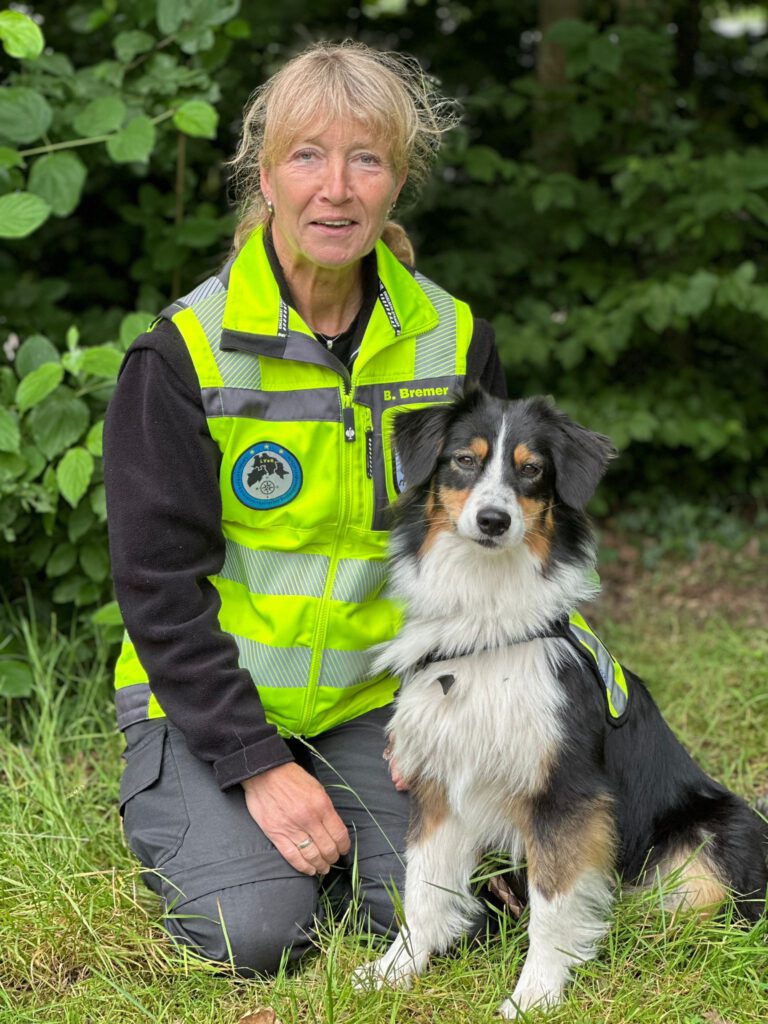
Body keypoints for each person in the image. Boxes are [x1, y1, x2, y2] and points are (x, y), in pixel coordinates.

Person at [104, 39, 507, 976]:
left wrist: (438, 705)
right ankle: (235, 828)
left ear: (397, 181)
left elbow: (480, 554)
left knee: (448, 916)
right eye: (307, 156)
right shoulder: (183, 352)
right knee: (258, 932)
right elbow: (157, 589)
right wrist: (259, 764)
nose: (337, 188)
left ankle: (340, 822)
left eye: (366, 158)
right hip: (207, 702)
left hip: (377, 700)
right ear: (265, 174)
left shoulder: (453, 341)